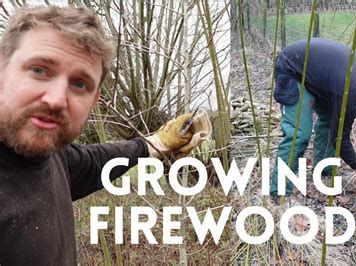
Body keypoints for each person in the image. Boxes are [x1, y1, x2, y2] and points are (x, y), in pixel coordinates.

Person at [0, 6, 211, 264]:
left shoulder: (53, 157)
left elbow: (96, 160)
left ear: (94, 100)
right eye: (39, 70)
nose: (56, 100)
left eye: (79, 84)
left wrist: (155, 144)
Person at [270, 38, 356, 197]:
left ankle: (324, 170)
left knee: (329, 121)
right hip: (292, 69)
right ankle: (279, 192)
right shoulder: (352, 92)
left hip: (320, 77)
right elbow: (339, 137)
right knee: (299, 134)